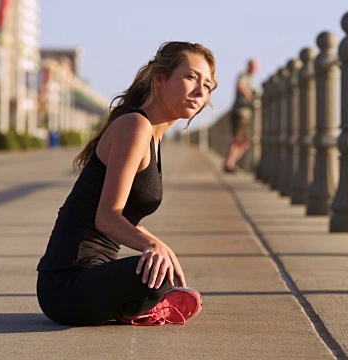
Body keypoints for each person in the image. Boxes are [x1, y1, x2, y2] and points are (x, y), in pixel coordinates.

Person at [36, 42, 218, 326]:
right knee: (152, 273)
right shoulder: (135, 126)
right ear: (160, 79)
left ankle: (135, 306)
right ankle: (138, 307)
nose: (200, 91)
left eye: (207, 85)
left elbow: (128, 215)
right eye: (191, 77)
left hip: (94, 276)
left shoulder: (153, 138)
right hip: (66, 285)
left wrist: (161, 247)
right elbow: (107, 216)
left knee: (159, 269)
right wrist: (152, 247)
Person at [224, 58, 259, 173]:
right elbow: (241, 86)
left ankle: (230, 163)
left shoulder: (251, 79)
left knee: (244, 142)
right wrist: (251, 97)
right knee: (238, 139)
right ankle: (229, 164)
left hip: (245, 114)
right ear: (248, 66)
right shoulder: (243, 75)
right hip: (240, 112)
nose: (255, 68)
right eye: (253, 66)